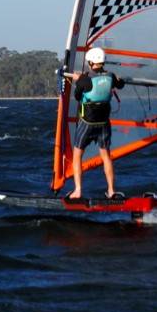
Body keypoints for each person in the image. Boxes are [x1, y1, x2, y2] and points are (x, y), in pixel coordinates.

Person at [63, 47, 125, 199]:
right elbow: (121, 84)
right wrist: (119, 78)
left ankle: (78, 190)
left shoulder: (85, 79)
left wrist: (79, 79)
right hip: (104, 123)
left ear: (90, 62)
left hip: (87, 123)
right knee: (106, 156)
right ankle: (111, 190)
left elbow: (78, 96)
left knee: (77, 155)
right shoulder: (111, 77)